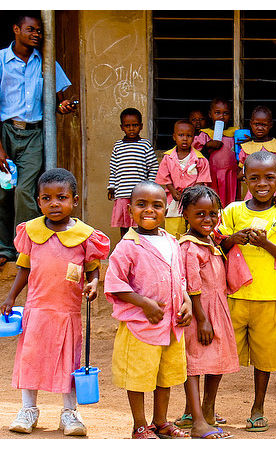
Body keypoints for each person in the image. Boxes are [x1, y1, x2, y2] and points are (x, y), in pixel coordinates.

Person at [1, 168, 110, 436]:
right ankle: (28, 410)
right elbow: (24, 267)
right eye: (47, 198)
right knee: (31, 359)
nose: (54, 204)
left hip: (68, 312)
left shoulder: (85, 235)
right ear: (38, 202)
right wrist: (11, 295)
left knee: (70, 362)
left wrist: (94, 282)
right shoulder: (32, 232)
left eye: (61, 197)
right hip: (37, 309)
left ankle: (69, 414)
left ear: (74, 200)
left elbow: (92, 267)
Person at [217, 151, 276, 432]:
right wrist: (233, 239)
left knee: (264, 358)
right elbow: (217, 245)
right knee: (218, 354)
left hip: (270, 296)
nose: (261, 183)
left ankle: (258, 408)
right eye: (254, 178)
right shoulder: (232, 210)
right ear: (245, 178)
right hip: (234, 295)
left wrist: (265, 244)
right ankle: (205, 408)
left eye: (269, 177)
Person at [104, 180, 193, 439]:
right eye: (141, 205)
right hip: (142, 325)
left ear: (166, 209)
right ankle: (140, 425)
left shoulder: (171, 241)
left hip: (171, 326)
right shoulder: (127, 246)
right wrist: (144, 304)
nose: (149, 210)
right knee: (139, 377)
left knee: (165, 376)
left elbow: (180, 279)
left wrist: (186, 301)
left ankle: (161, 422)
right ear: (129, 209)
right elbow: (115, 283)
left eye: (157, 205)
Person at [0, 13, 77, 266]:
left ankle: (23, 248)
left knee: (24, 191)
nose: (37, 35)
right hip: (5, 131)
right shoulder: (1, 60)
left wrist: (62, 106)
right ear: (16, 30)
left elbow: (55, 100)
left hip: (33, 133)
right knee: (2, 191)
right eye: (31, 30)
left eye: (39, 31)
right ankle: (3, 250)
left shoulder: (45, 61)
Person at [175, 185, 238, 439]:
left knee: (217, 362)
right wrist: (202, 320)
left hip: (217, 309)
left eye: (213, 213)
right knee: (195, 364)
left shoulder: (211, 239)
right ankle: (198, 421)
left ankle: (207, 411)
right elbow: (192, 288)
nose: (208, 219)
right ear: (186, 216)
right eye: (200, 214)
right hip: (200, 313)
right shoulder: (189, 247)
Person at [108, 108, 159, 238]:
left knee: (140, 223)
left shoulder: (145, 145)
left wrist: (149, 187)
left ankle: (139, 249)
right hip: (122, 194)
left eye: (135, 125)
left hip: (139, 195)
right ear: (122, 127)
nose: (131, 129)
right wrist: (112, 187)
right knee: (124, 225)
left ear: (141, 126)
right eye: (127, 125)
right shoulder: (118, 146)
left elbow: (153, 167)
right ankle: (125, 249)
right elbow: (113, 169)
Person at [155, 120, 211, 238]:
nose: (185, 139)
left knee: (193, 229)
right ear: (174, 137)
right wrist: (172, 190)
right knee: (173, 232)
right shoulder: (167, 158)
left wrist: (191, 193)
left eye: (189, 136)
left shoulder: (200, 159)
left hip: (194, 200)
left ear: (194, 137)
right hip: (174, 200)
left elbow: (202, 179)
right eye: (181, 135)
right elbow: (164, 177)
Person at [195, 98, 240, 206]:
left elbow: (241, 152)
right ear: (210, 114)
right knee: (212, 201)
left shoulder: (234, 133)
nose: (221, 116)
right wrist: (207, 146)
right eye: (217, 113)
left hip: (231, 175)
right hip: (212, 174)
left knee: (231, 202)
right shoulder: (205, 134)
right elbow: (196, 155)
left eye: (226, 113)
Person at [238, 105, 276, 181]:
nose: (260, 128)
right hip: (254, 190)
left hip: (274, 190)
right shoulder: (246, 148)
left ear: (270, 125)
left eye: (264, 125)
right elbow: (240, 176)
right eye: (256, 124)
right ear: (251, 124)